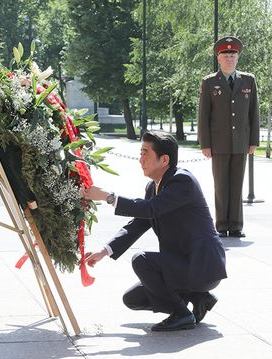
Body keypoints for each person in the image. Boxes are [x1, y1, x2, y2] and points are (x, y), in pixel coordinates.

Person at [83, 131, 227, 332]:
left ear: (164, 159)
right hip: (183, 266)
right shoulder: (153, 187)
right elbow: (138, 224)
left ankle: (182, 314)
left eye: (145, 154)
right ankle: (198, 298)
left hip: (202, 267)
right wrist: (104, 251)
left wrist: (108, 197)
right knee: (133, 299)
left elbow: (150, 209)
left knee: (140, 259)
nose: (140, 159)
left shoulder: (182, 181)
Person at [197, 36, 260, 238]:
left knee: (237, 185)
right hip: (219, 143)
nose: (229, 58)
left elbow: (254, 113)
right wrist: (205, 144)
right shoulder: (209, 82)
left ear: (238, 57)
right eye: (225, 54)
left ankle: (236, 226)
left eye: (233, 54)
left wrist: (253, 141)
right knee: (221, 186)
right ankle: (221, 224)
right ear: (219, 58)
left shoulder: (248, 80)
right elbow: (203, 115)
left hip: (241, 142)